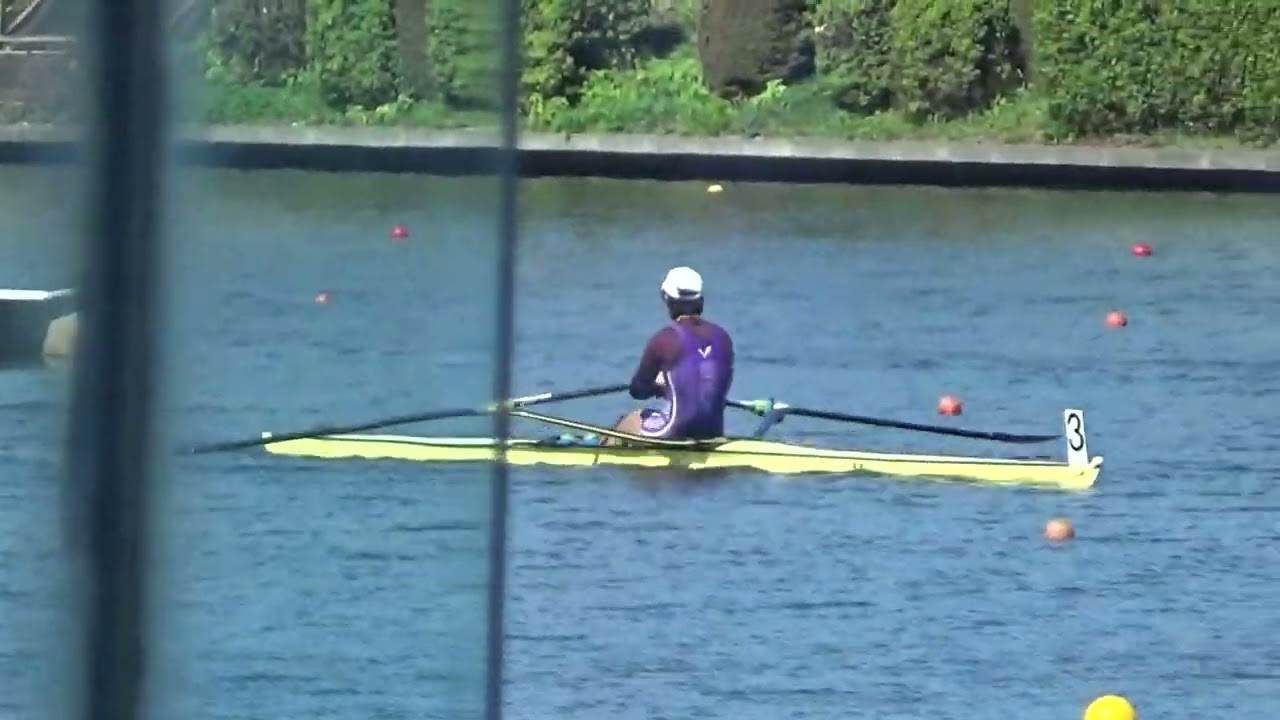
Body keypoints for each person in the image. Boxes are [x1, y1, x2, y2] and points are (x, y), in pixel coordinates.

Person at [609, 266, 734, 443]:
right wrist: (669, 384)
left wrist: (658, 386)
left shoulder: (664, 339)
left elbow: (638, 391)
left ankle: (601, 456)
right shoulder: (723, 337)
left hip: (674, 432)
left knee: (630, 419)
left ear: (667, 299)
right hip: (713, 432)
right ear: (701, 300)